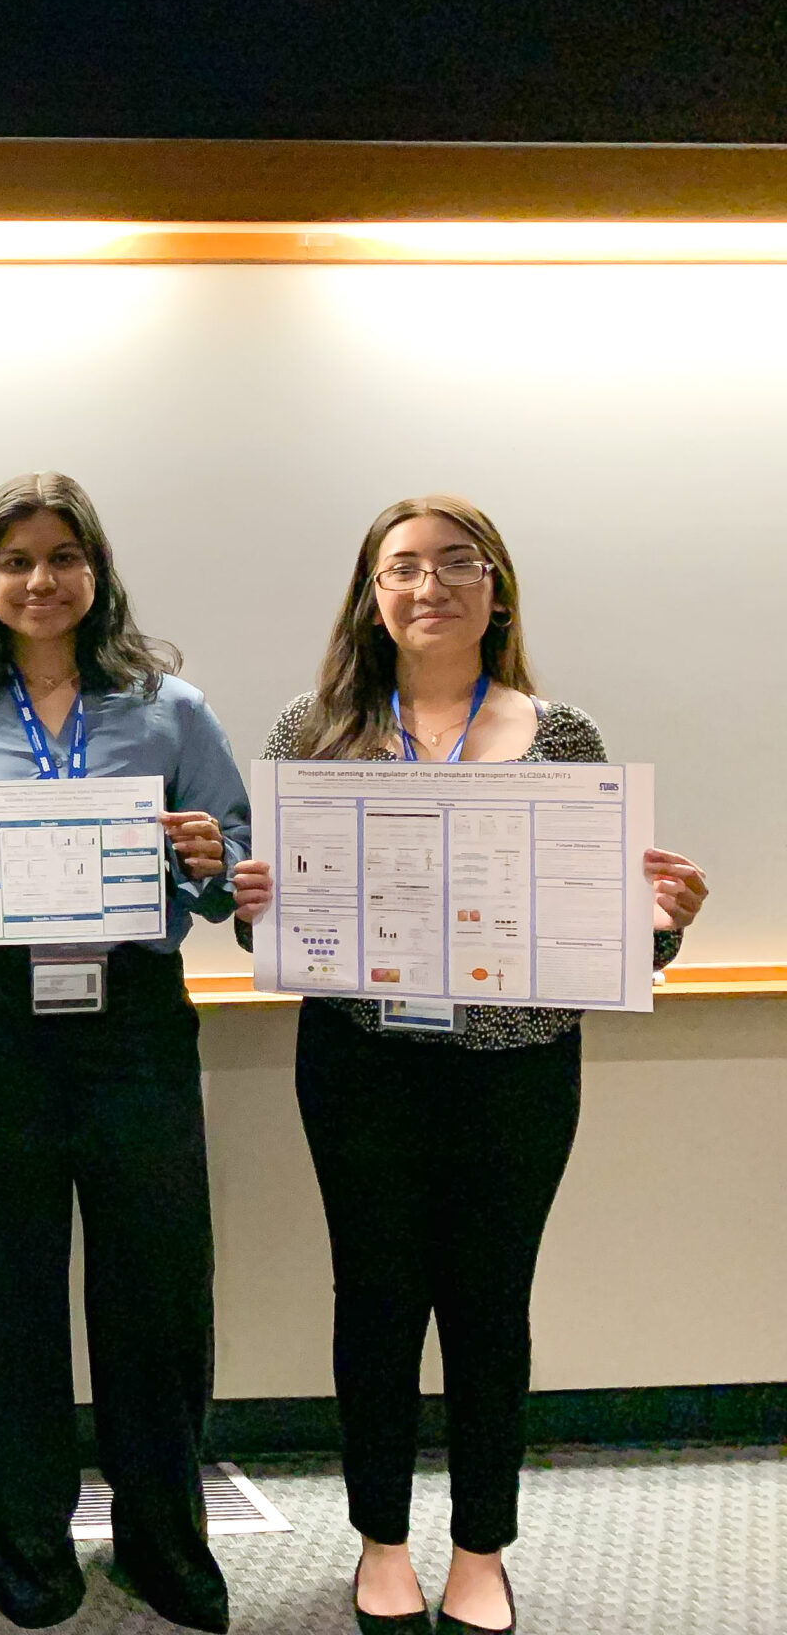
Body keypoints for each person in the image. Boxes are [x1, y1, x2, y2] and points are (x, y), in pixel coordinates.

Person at [228, 495, 709, 1635]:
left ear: (495, 588)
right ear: (373, 595)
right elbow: (278, 929)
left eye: (456, 564)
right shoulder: (316, 730)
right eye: (402, 568)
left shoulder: (563, 735)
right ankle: (381, 1541)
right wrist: (258, 909)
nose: (428, 585)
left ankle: (480, 1550)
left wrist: (662, 921)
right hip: (359, 1061)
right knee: (377, 1301)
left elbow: (605, 931)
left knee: (491, 1305)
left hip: (517, 1067)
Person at [0, 471, 246, 1633]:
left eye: (62, 558)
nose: (41, 581)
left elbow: (233, 867)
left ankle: (162, 1541)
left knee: (157, 1289)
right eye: (16, 560)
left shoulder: (170, 710)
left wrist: (201, 852)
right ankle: (27, 1544)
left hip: (130, 1017)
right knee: (8, 1287)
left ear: (96, 574)